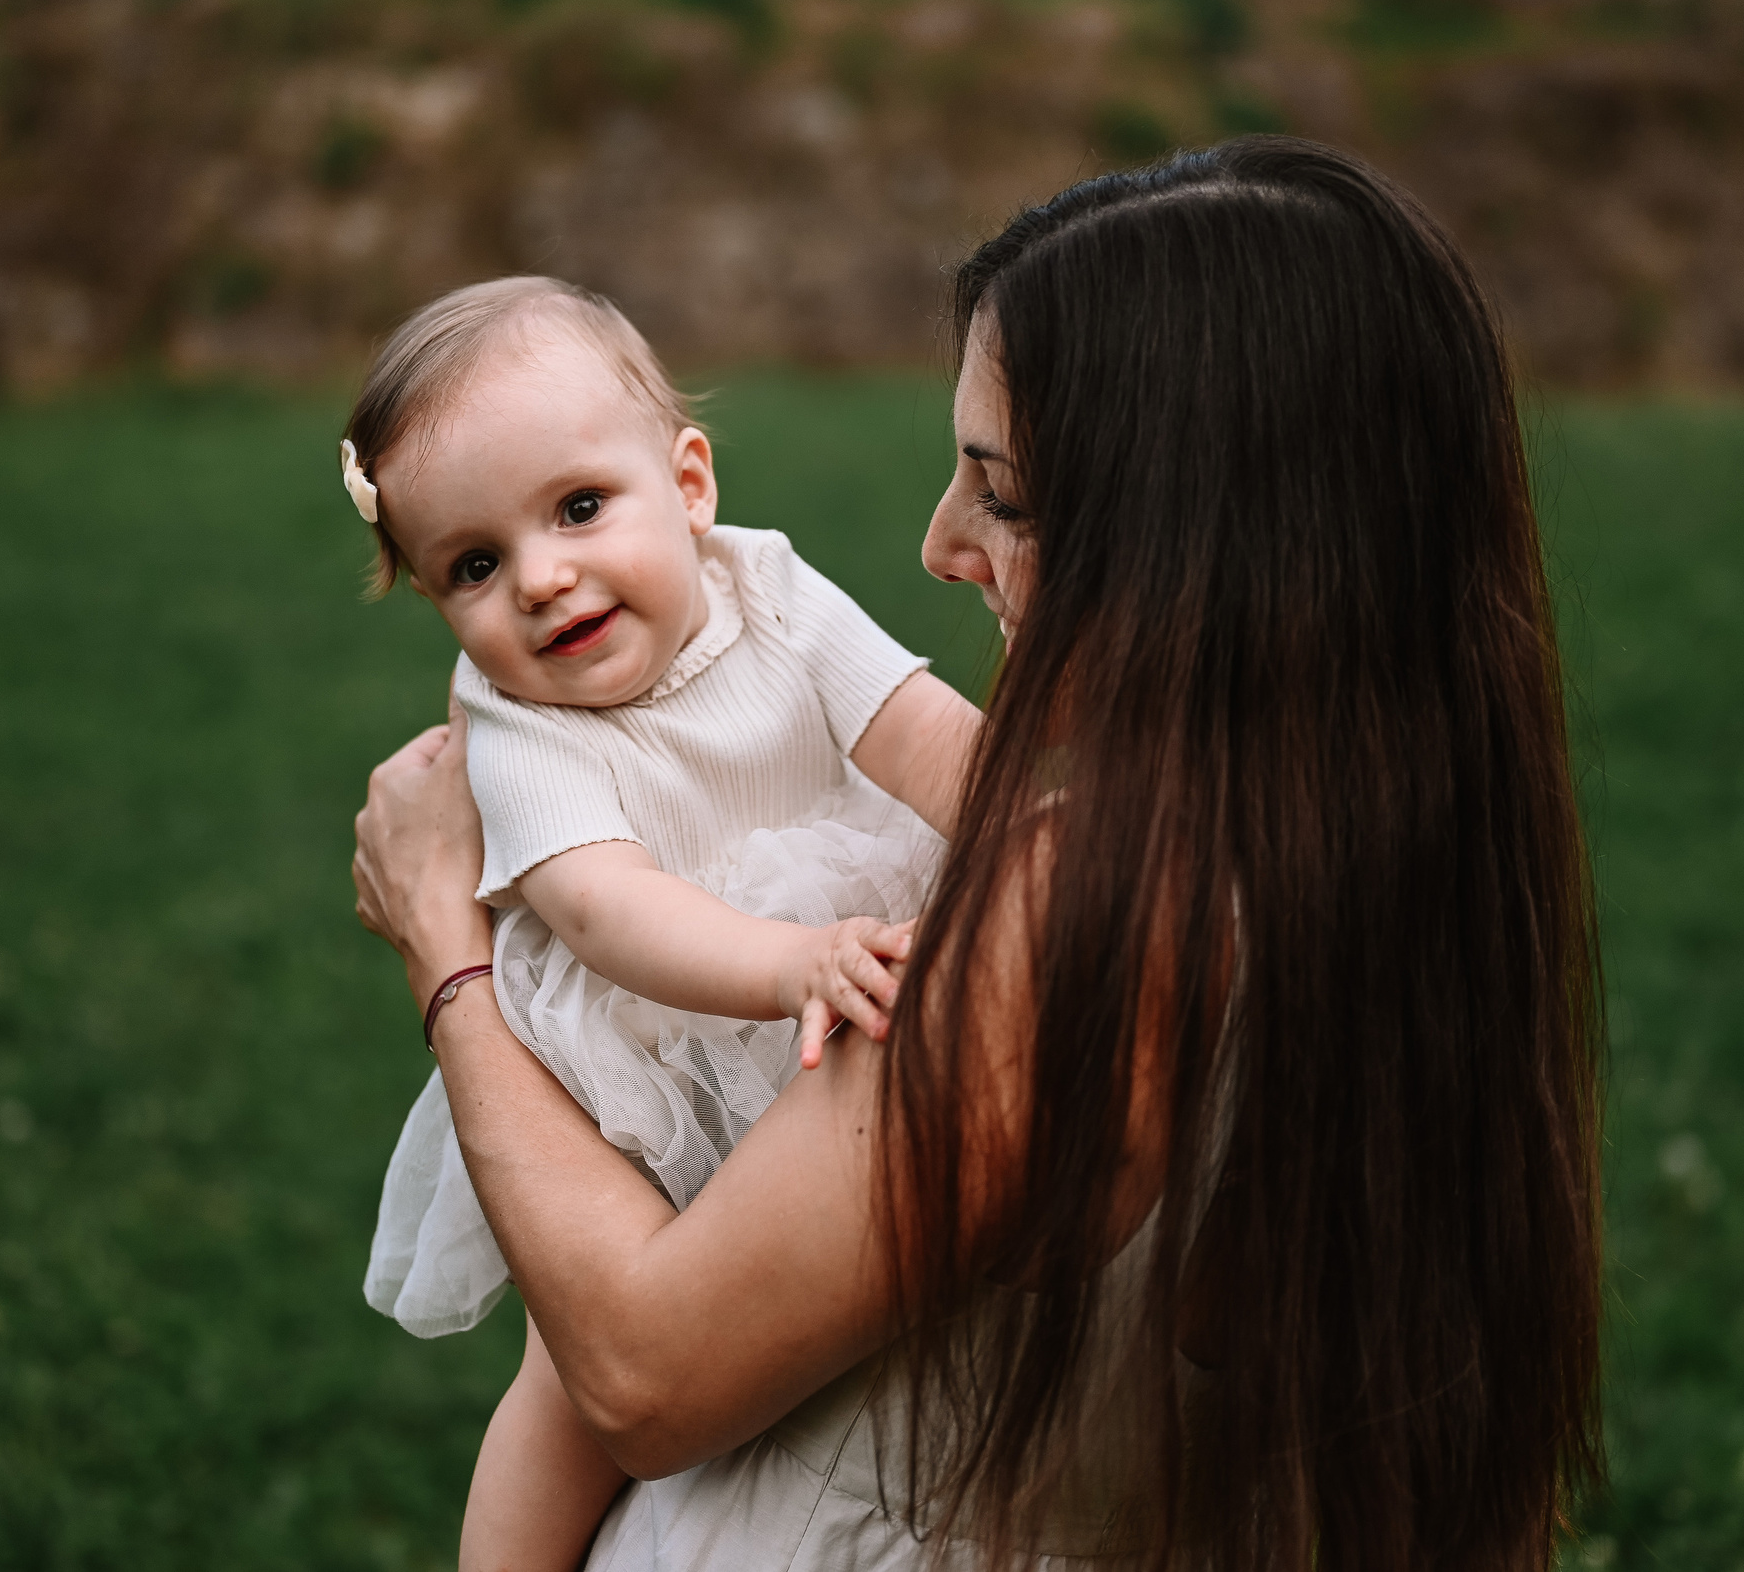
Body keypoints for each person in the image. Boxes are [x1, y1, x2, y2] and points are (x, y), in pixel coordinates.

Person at [353, 137, 1606, 1571]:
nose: (941, 545)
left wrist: (446, 944)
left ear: (1191, 536)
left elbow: (643, 1374)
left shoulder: (1088, 911)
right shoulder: (1408, 863)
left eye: (1001, 494)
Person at [343, 277, 982, 1570]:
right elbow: (605, 906)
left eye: (579, 507)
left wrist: (1027, 823)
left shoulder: (772, 583)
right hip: (643, 1042)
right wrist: (786, 961)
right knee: (572, 1385)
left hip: (829, 937)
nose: (542, 578)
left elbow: (914, 727)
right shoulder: (516, 722)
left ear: (689, 484)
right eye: (475, 565)